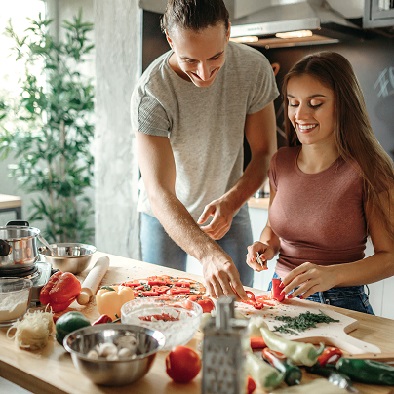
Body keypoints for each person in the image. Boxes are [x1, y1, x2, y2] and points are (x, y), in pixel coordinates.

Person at [131, 0, 279, 299]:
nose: (204, 72)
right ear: (171, 40)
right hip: (166, 215)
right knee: (162, 302)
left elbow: (265, 153)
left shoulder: (254, 69)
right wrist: (208, 253)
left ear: (227, 33)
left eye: (215, 57)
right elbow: (159, 192)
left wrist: (231, 202)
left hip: (230, 204)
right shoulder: (152, 91)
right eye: (189, 61)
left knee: (239, 302)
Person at [246, 51, 394, 314]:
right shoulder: (280, 161)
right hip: (278, 297)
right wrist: (265, 246)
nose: (300, 115)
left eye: (315, 103)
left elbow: (389, 258)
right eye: (293, 103)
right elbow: (273, 227)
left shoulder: (370, 169)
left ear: (343, 105)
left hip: (341, 304)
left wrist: (331, 275)